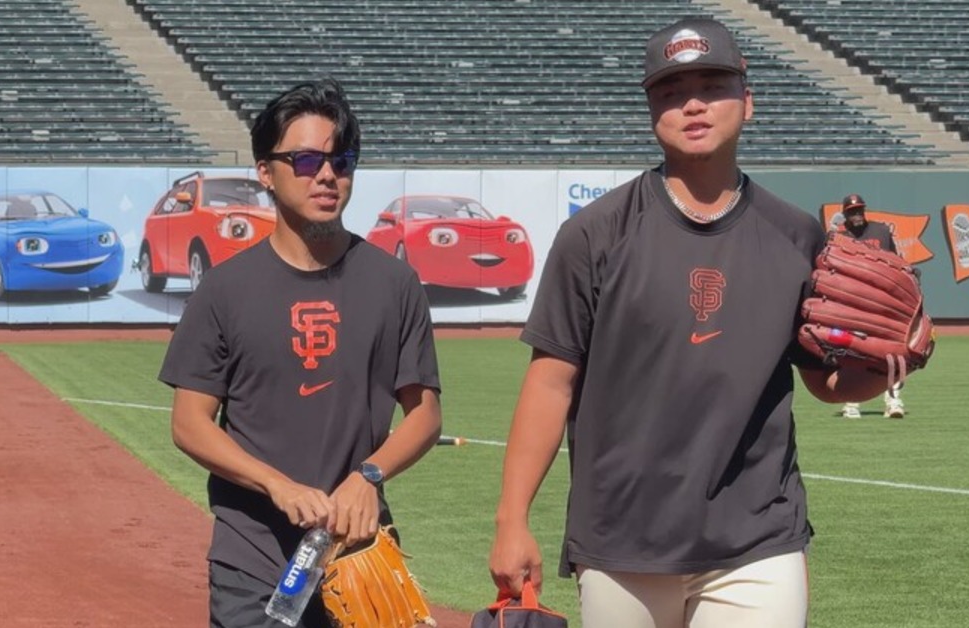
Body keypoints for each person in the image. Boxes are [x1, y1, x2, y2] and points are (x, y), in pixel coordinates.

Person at [488, 17, 894, 628]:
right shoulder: (594, 234)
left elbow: (826, 381)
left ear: (747, 101)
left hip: (757, 537)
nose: (693, 103)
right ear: (652, 108)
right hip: (622, 537)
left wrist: (890, 361)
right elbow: (550, 383)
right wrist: (511, 520)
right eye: (672, 90)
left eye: (712, 85)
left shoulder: (797, 236)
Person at [159, 78, 443, 628]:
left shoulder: (394, 283)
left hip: (359, 559)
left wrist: (369, 476)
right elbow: (189, 424)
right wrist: (276, 484)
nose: (327, 175)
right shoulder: (224, 289)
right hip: (253, 564)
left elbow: (426, 414)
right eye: (307, 160)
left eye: (342, 161)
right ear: (266, 172)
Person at [834, 193, 906, 419]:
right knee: (852, 352)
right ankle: (851, 402)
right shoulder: (838, 238)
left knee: (891, 353)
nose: (857, 215)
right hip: (853, 305)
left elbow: (895, 262)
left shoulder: (881, 231)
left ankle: (893, 401)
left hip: (882, 302)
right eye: (852, 212)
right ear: (845, 215)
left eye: (859, 210)